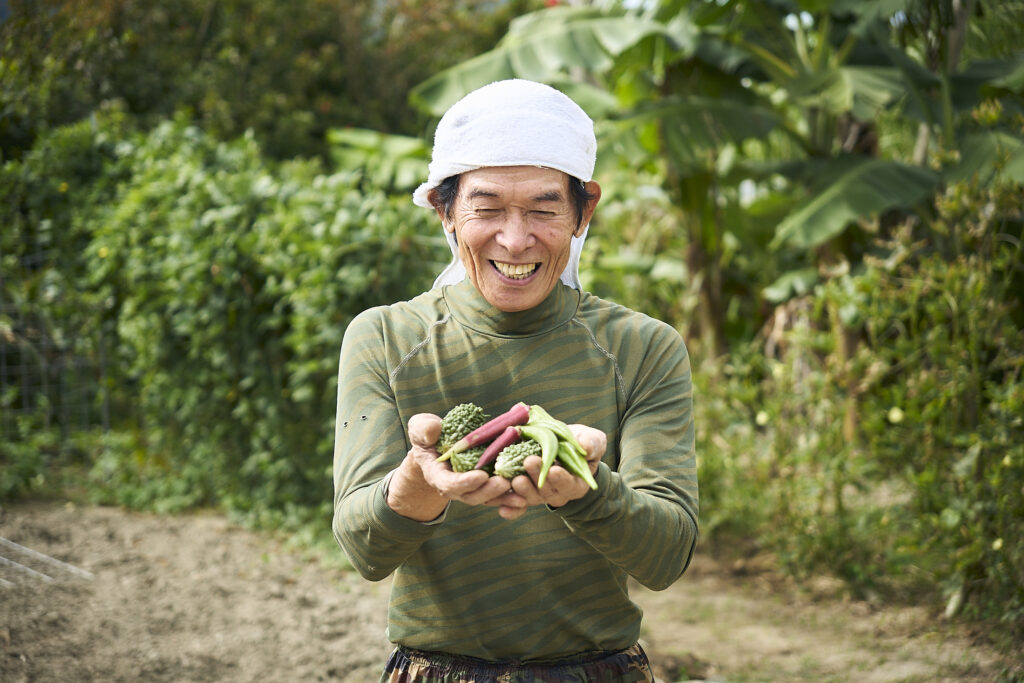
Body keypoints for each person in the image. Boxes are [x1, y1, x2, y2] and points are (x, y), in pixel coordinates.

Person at [332, 79, 698, 682]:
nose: (515, 238)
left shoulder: (642, 347)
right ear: (445, 210)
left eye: (543, 209)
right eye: (487, 207)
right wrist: (419, 483)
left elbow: (666, 556)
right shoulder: (386, 339)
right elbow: (364, 550)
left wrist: (584, 489)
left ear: (584, 211)